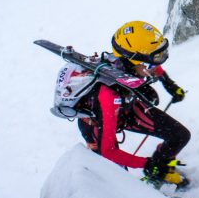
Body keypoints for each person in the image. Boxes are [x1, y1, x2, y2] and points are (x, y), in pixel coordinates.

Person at [76, 21, 191, 188]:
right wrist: (146, 163)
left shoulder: (131, 66)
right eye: (153, 60)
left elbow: (152, 67)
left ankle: (160, 172)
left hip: (126, 108)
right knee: (118, 177)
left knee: (179, 135)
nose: (156, 66)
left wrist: (170, 85)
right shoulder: (108, 94)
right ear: (133, 61)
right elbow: (108, 151)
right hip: (97, 125)